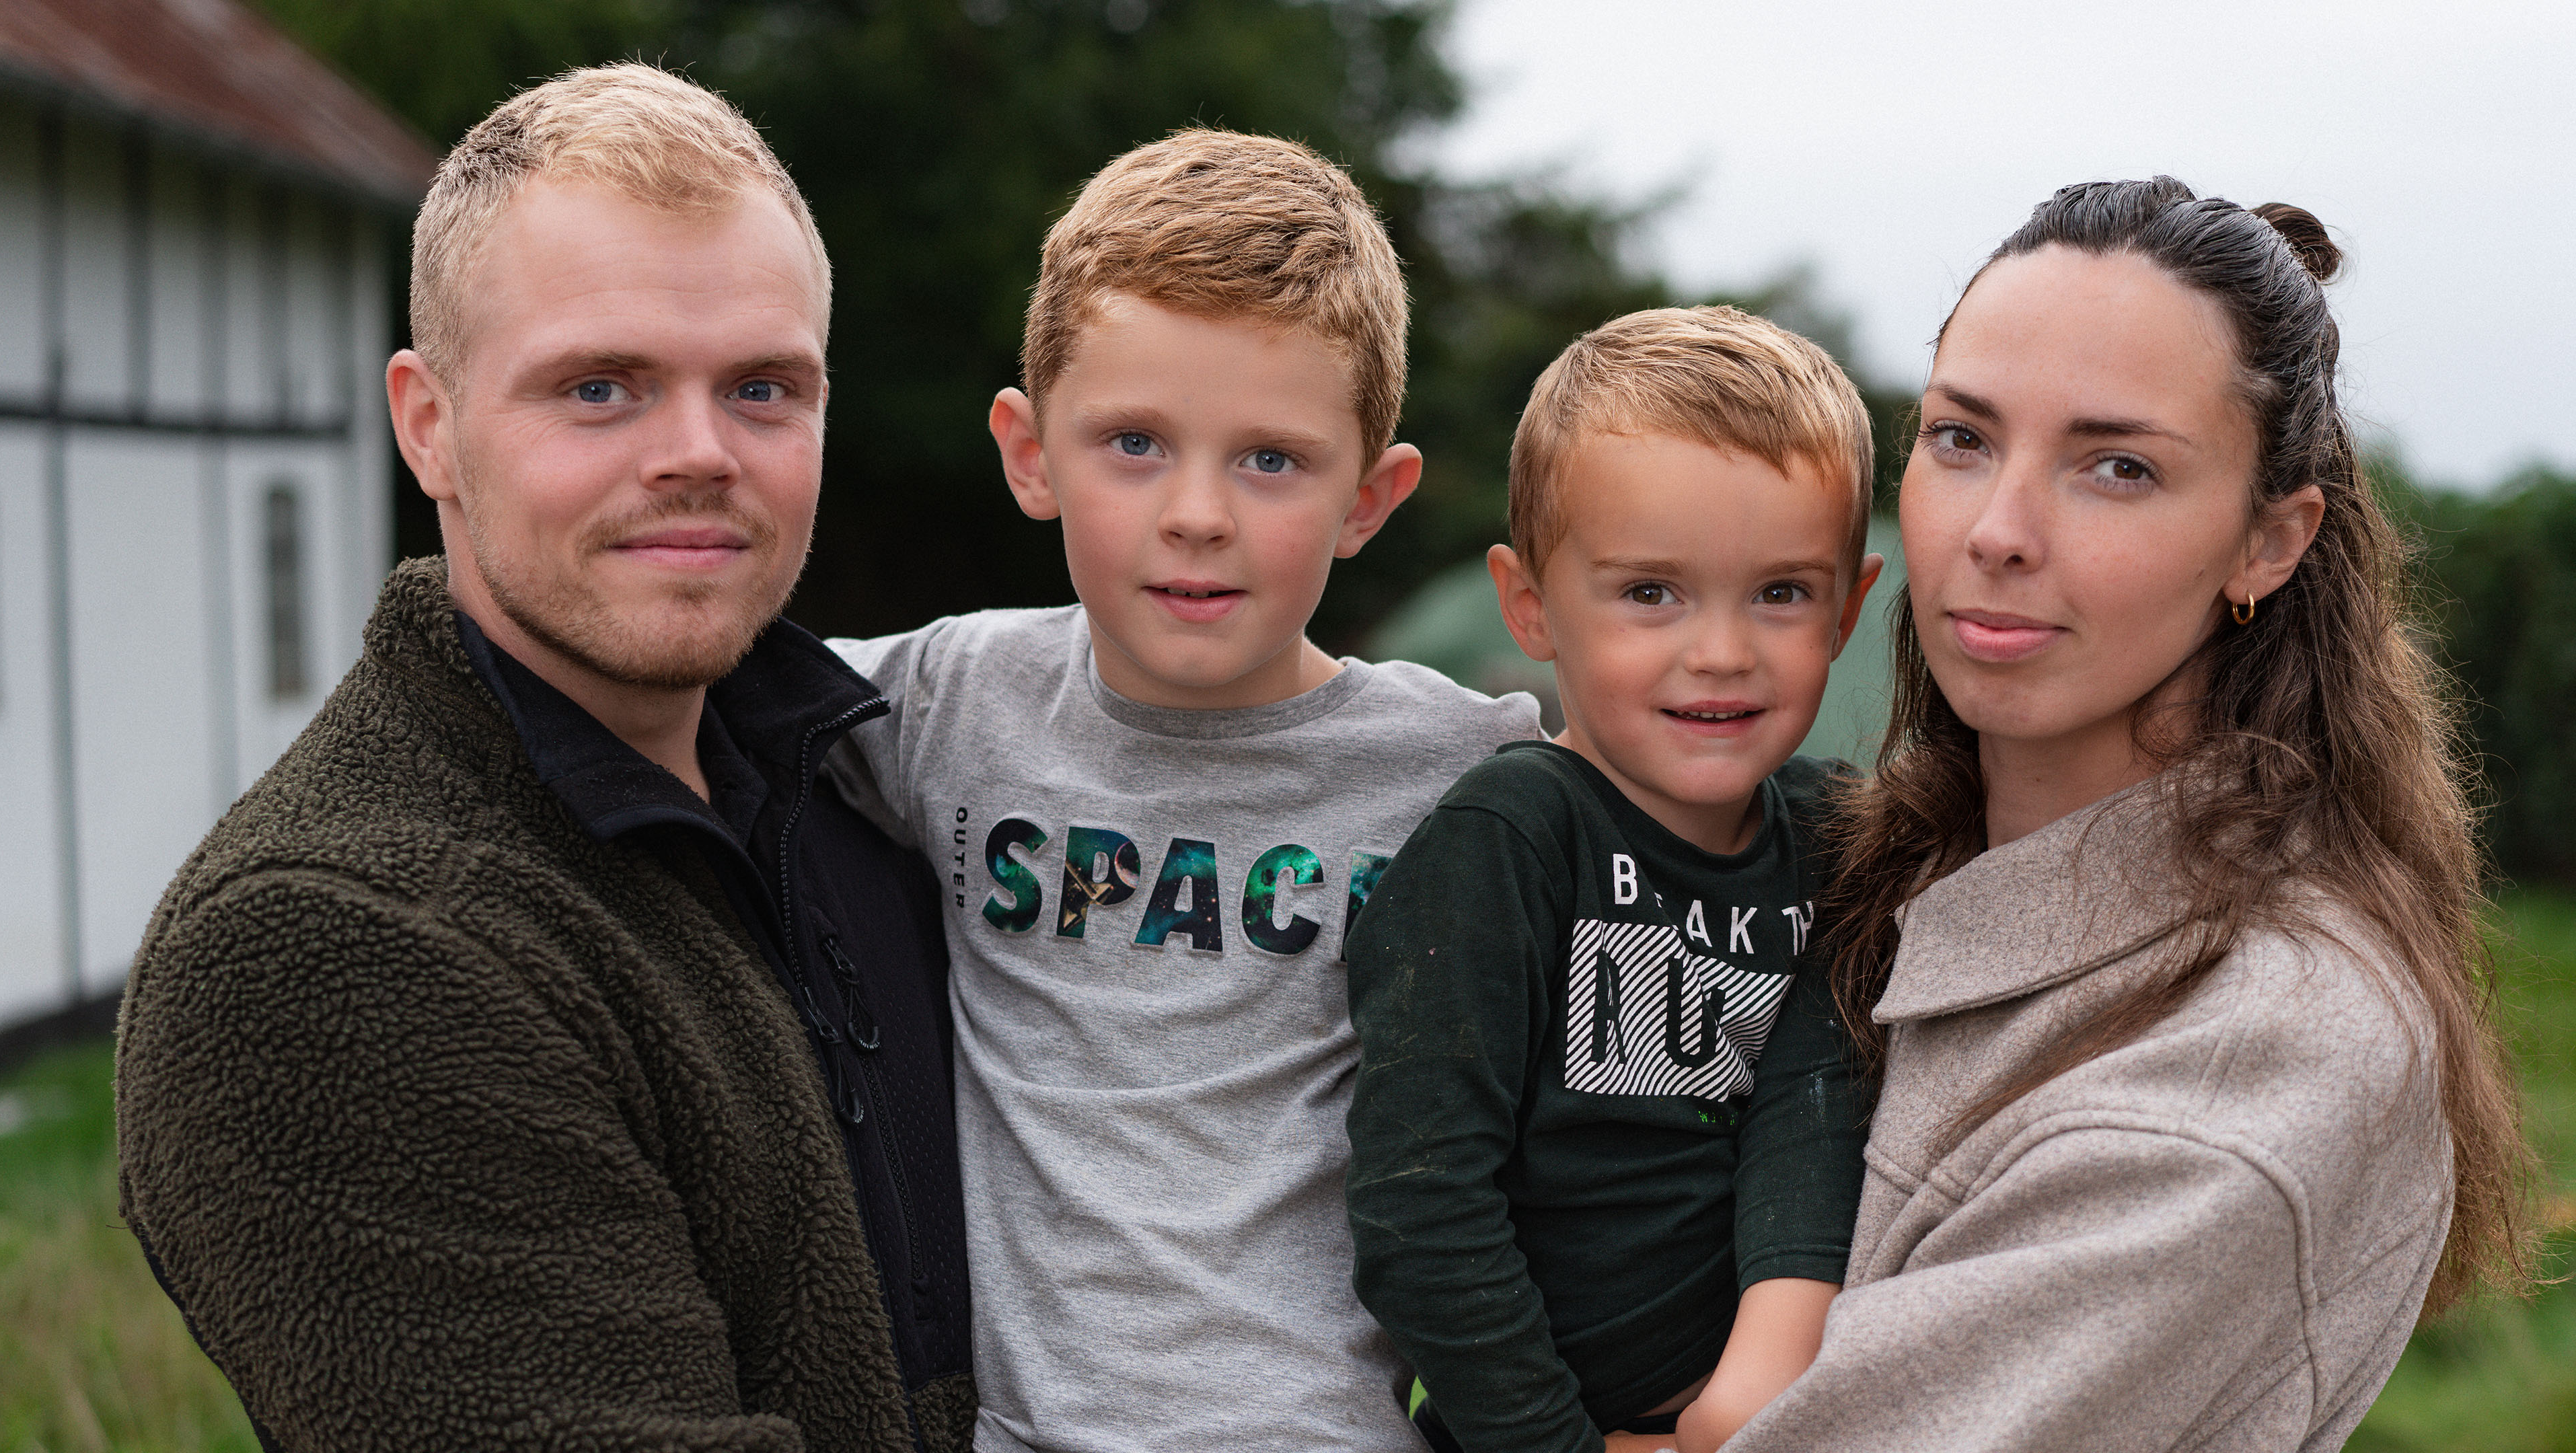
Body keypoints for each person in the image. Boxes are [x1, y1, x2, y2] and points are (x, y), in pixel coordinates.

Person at [114, 65, 973, 1450]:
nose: (699, 453)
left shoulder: (884, 787)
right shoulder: (325, 950)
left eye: (762, 386)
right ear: (429, 425)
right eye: (600, 388)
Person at [1725, 179, 2535, 1452]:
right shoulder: (1849, 862)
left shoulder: (2243, 1071)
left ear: (2269, 544)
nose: (1996, 531)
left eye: (2118, 467)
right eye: (1962, 438)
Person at [819, 128, 1544, 1452]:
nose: (1198, 513)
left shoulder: (1471, 769)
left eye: (1271, 460)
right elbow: (671, 690)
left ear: (1370, 499)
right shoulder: (947, 702)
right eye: (1135, 444)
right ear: (1030, 454)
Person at [1343, 306, 1886, 1453]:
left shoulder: (1835, 839)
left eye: (1782, 593)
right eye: (1652, 593)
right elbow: (1423, 1203)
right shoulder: (1511, 839)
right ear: (1530, 605)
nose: (1723, 651)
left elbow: (1816, 1123)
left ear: (1848, 606)